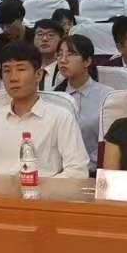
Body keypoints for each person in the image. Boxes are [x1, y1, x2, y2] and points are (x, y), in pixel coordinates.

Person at [0, 42, 89, 178]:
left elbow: (78, 171)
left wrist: (40, 186)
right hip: (0, 189)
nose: (13, 78)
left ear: (38, 75)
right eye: (7, 71)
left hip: (44, 188)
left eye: (21, 69)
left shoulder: (60, 117)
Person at [49, 33, 111, 166]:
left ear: (87, 61)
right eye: (59, 54)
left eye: (71, 54)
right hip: (59, 169)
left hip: (95, 170)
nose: (63, 60)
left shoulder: (107, 96)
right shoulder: (53, 96)